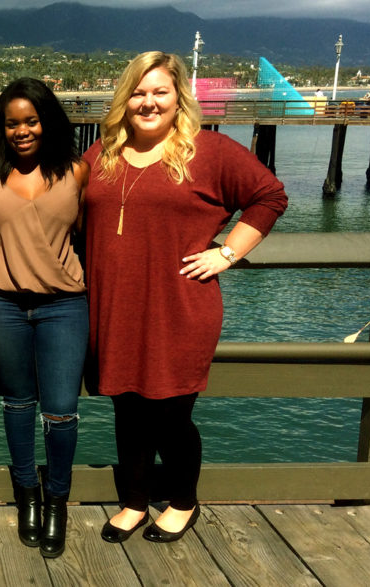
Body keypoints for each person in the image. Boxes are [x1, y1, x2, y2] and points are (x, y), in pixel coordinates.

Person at [83, 52, 287, 544]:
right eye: (138, 92)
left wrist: (228, 253)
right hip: (114, 305)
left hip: (179, 306)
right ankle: (133, 500)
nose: (148, 102)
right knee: (127, 408)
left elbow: (269, 195)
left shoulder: (209, 151)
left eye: (160, 92)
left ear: (179, 98)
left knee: (173, 413)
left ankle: (182, 501)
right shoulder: (101, 154)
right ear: (123, 99)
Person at [0, 78, 89, 558]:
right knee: (17, 406)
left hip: (64, 306)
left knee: (60, 411)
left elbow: (90, 238)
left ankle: (57, 500)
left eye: (31, 120)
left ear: (48, 121)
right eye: (12, 123)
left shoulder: (76, 173)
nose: (22, 131)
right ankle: (27, 498)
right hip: (6, 306)